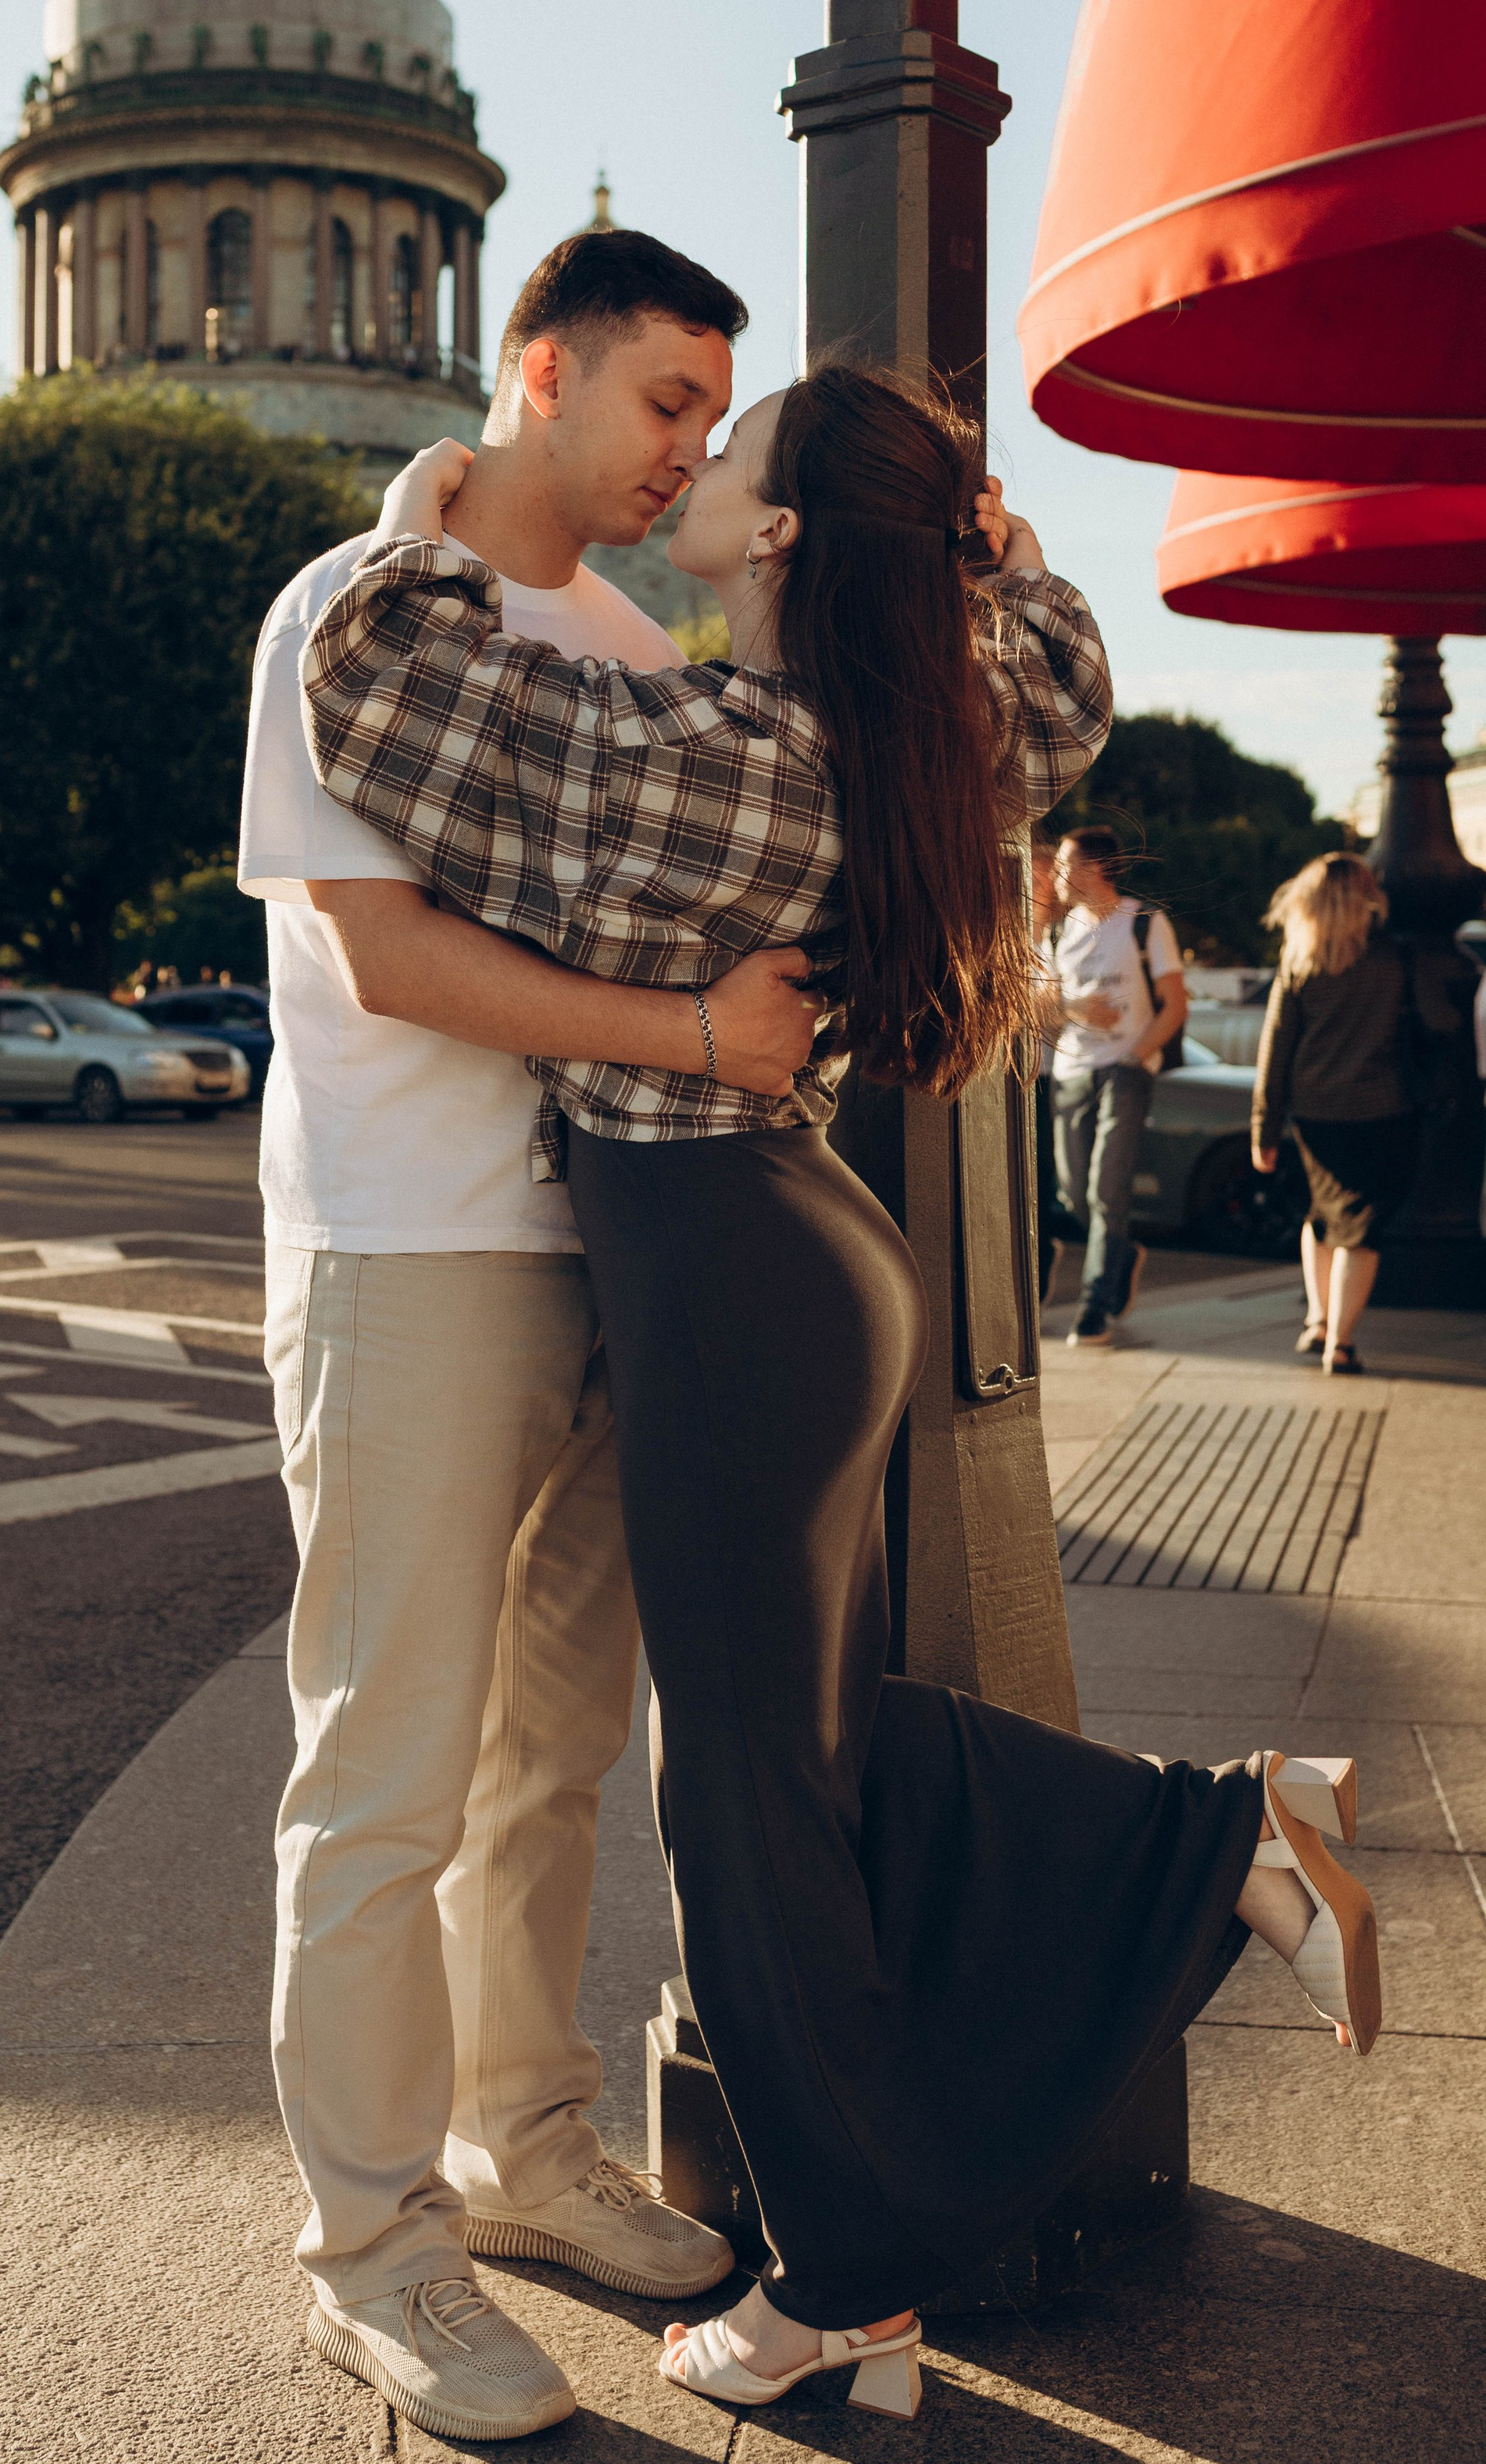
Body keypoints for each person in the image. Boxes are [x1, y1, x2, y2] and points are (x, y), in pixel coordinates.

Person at [302, 365, 1380, 2425]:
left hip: (726, 1267)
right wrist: (983, 541)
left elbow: (376, 670)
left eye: (736, 454)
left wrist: (442, 492)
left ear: (787, 537)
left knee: (744, 1793)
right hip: (791, 1258)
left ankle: (847, 2282)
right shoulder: (935, 729)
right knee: (814, 1748)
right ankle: (1235, 1833)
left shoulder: (713, 750)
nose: (690, 471)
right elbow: (1058, 644)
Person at [238, 228, 823, 2444]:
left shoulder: (619, 630)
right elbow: (388, 958)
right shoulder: (351, 608)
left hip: (620, 1254)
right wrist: (690, 1024)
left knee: (551, 1760)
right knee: (383, 1771)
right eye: (667, 403)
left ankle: (515, 2145)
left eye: (709, 418)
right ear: (541, 369)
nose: (690, 455)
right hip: (409, 1251)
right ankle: (371, 2244)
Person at [1253, 853, 1422, 1376]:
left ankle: (1320, 1320)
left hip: (1314, 1114)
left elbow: (1274, 1049)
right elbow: (1430, 1024)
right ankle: (1341, 1345)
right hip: (1381, 1110)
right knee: (1360, 1229)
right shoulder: (1395, 958)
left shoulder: (1300, 963)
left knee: (1323, 1217)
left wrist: (1264, 1127)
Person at [1048, 828, 1187, 1346]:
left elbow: (1175, 1003)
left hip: (1126, 1070)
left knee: (1109, 1190)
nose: (1056, 876)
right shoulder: (1059, 933)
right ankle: (1122, 1255)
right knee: (1076, 1194)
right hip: (1071, 1071)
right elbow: (1040, 1005)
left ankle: (1094, 1307)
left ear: (1094, 868)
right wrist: (1071, 1009)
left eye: (1064, 864)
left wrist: (1136, 1054)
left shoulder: (1145, 922)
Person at [1031, 839, 1070, 1298]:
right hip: (1018, 1075)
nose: (1042, 885)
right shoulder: (1008, 935)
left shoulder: (1070, 935)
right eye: (1034, 875)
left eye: (1048, 876)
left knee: (1051, 1182)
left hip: (1060, 1074)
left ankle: (1037, 1270)